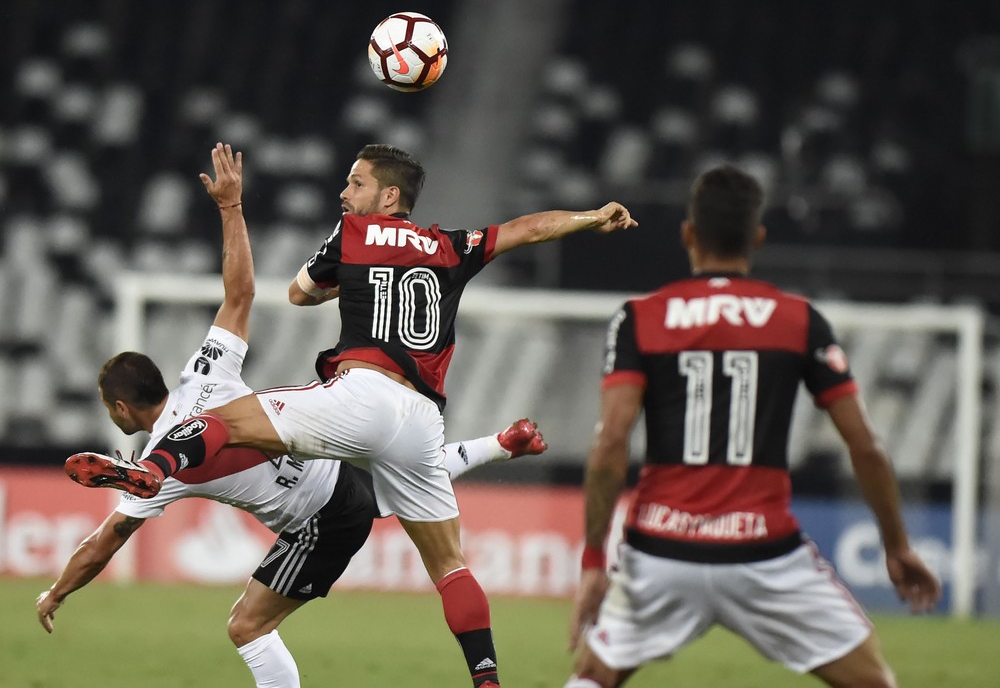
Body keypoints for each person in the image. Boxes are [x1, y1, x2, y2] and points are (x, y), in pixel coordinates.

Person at [66, 143, 637, 688]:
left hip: (359, 394)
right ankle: (487, 678)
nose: (344, 192)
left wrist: (344, 280)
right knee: (449, 566)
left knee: (222, 421)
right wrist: (592, 216)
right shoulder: (452, 245)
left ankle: (154, 467)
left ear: (389, 198)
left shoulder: (354, 233)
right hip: (421, 416)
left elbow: (297, 293)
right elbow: (525, 229)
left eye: (356, 183)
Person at [564, 165, 942, 688]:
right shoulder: (797, 319)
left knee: (592, 678)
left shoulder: (641, 318)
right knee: (875, 682)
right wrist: (897, 547)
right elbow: (866, 446)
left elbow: (610, 442)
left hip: (660, 551)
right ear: (757, 237)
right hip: (765, 554)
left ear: (688, 235)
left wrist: (592, 562)